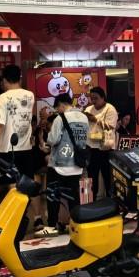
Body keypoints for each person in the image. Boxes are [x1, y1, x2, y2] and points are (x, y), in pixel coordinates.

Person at [0, 65, 39, 217]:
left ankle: (17, 219)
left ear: (5, 80)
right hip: (26, 148)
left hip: (8, 149)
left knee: (13, 186)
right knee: (29, 183)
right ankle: (38, 218)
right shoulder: (30, 95)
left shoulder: (3, 98)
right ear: (20, 78)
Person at [41, 93, 89, 235]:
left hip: (59, 165)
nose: (57, 110)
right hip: (77, 165)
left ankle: (52, 226)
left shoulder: (60, 118)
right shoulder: (84, 118)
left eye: (57, 108)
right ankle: (76, 226)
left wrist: (47, 139)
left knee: (53, 196)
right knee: (74, 197)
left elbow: (53, 139)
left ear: (61, 104)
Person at [84, 86, 118, 199]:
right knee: (91, 176)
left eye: (96, 98)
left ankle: (111, 200)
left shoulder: (110, 109)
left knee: (107, 175)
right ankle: (91, 200)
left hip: (105, 148)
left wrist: (95, 120)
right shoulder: (88, 109)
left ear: (103, 97)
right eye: (91, 98)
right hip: (91, 146)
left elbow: (111, 126)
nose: (93, 101)